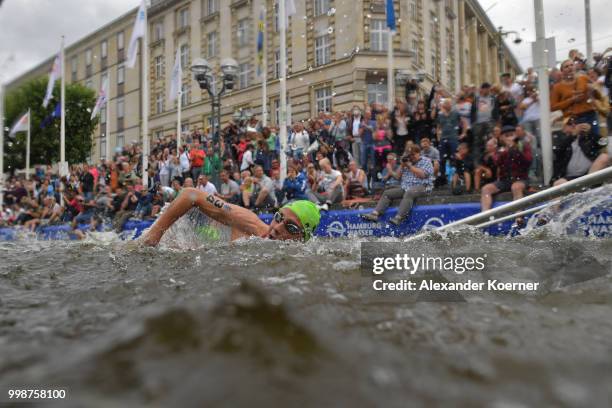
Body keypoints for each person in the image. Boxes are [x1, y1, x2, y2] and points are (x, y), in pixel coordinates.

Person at [142, 192, 321, 245]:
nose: (277, 227)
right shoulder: (248, 223)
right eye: (278, 217)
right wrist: (154, 236)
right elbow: (190, 195)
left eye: (291, 228)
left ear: (302, 239)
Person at [361, 145, 434, 226]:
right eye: (410, 155)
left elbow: (422, 175)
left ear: (418, 153)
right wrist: (402, 165)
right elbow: (397, 177)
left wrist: (409, 166)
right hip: (406, 187)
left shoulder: (426, 161)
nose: (412, 157)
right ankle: (375, 214)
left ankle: (399, 217)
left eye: (413, 154)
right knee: (387, 193)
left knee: (409, 193)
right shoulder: (407, 161)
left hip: (423, 187)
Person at [480, 125, 532, 212]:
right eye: (506, 136)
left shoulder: (523, 146)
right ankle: (484, 215)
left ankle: (519, 217)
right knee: (486, 189)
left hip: (521, 179)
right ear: (502, 138)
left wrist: (515, 149)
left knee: (516, 187)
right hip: (505, 181)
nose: (509, 137)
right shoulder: (501, 149)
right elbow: (497, 162)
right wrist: (506, 150)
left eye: (511, 134)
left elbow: (528, 161)